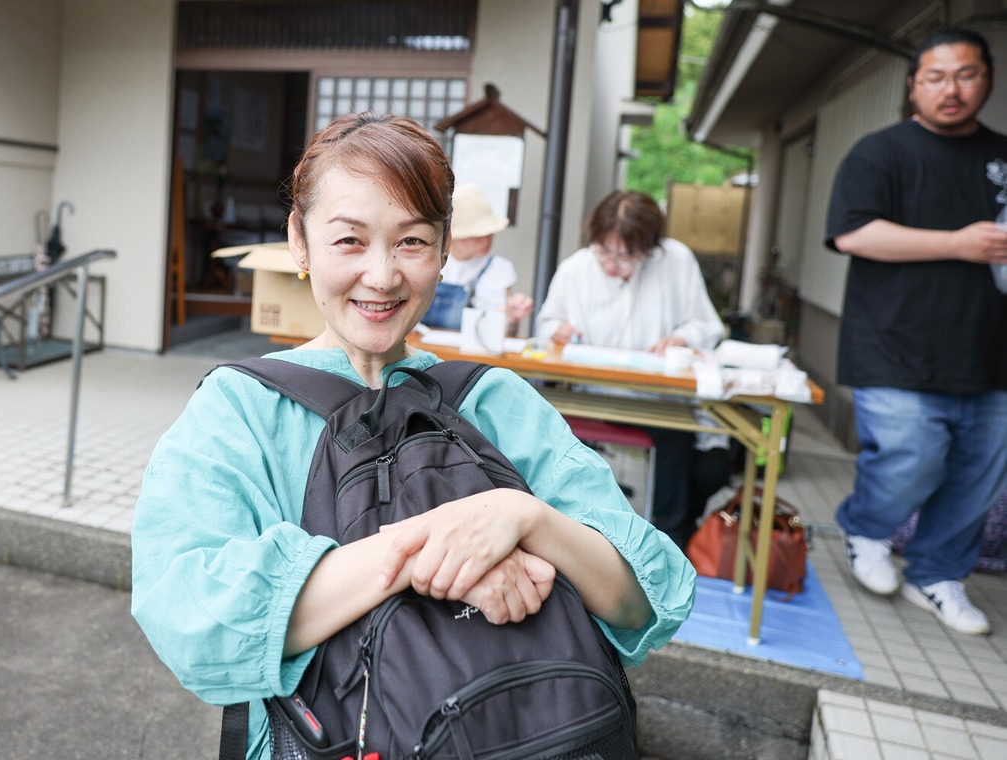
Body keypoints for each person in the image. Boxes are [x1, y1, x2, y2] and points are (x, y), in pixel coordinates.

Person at [130, 113, 695, 758]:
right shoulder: (239, 411)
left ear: (445, 247)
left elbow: (643, 600)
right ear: (299, 241)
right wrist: (446, 549)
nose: (382, 275)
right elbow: (191, 616)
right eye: (349, 241)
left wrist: (519, 517)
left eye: (411, 241)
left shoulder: (496, 399)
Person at [825, 26, 1007, 635]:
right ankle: (867, 528)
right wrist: (959, 243)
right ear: (914, 86)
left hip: (992, 354)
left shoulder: (1003, 157)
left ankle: (938, 576)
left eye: (966, 75)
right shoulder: (881, 152)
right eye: (936, 77)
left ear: (987, 78)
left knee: (978, 480)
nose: (951, 89)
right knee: (912, 458)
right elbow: (853, 233)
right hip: (895, 347)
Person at [535, 189, 725, 550]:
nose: (611, 264)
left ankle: (670, 540)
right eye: (604, 251)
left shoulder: (676, 261)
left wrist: (681, 338)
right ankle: (571, 533)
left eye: (626, 256)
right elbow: (546, 323)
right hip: (592, 393)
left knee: (698, 456)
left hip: (660, 399)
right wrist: (556, 331)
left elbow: (706, 326)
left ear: (650, 248)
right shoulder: (577, 268)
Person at [420, 182, 534, 335]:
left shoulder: (500, 269)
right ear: (454, 237)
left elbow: (507, 334)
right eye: (478, 236)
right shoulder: (429, 262)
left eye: (490, 234)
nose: (486, 241)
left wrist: (512, 317)